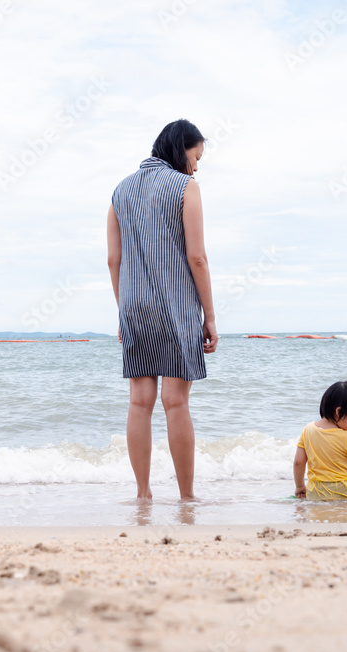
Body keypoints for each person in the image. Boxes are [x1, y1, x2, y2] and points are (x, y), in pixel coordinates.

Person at [106, 119, 219, 501]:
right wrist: (211, 316)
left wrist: (124, 309)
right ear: (179, 148)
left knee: (139, 401)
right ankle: (186, 495)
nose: (197, 166)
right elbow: (197, 257)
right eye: (196, 155)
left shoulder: (120, 191)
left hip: (133, 304)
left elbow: (113, 260)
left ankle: (143, 493)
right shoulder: (186, 187)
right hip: (176, 304)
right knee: (176, 402)